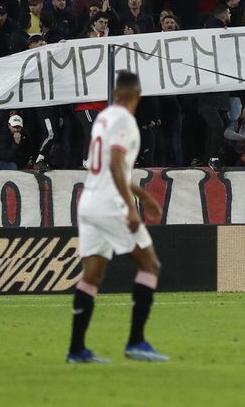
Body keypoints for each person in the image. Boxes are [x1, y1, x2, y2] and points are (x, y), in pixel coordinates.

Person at [68, 70, 168, 364]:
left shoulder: (103, 118)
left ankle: (76, 349)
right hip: (111, 204)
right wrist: (130, 207)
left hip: (88, 202)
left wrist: (145, 195)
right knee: (150, 265)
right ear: (137, 95)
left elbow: (109, 167)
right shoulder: (125, 120)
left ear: (114, 93)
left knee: (92, 276)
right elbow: (113, 163)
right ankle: (136, 342)